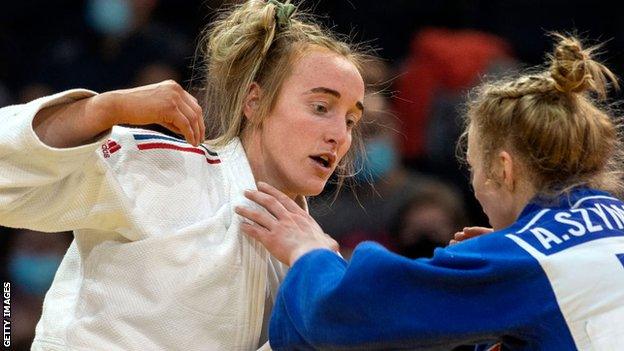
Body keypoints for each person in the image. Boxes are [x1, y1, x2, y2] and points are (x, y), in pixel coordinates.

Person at [0, 0, 367, 349]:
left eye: (351, 120)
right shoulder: (163, 168)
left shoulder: (308, 256)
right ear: (254, 101)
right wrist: (102, 108)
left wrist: (319, 279)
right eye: (321, 107)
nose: (340, 135)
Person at [236, 34, 624, 350]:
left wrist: (310, 252)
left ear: (504, 169)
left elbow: (344, 315)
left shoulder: (524, 261)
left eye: (474, 168)